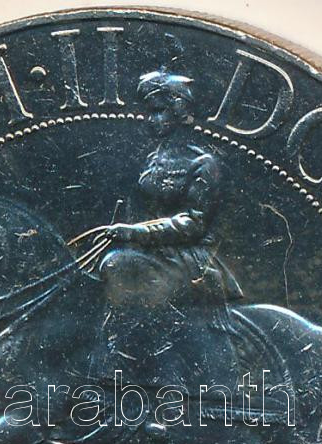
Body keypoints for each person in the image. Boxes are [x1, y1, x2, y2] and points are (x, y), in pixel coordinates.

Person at [91, 69, 243, 411]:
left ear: (178, 112)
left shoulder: (204, 163)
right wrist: (123, 230)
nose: (151, 119)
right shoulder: (153, 159)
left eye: (159, 111)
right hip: (152, 252)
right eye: (150, 112)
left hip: (190, 259)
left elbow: (194, 222)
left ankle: (153, 378)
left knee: (118, 267)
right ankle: (112, 367)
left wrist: (137, 233)